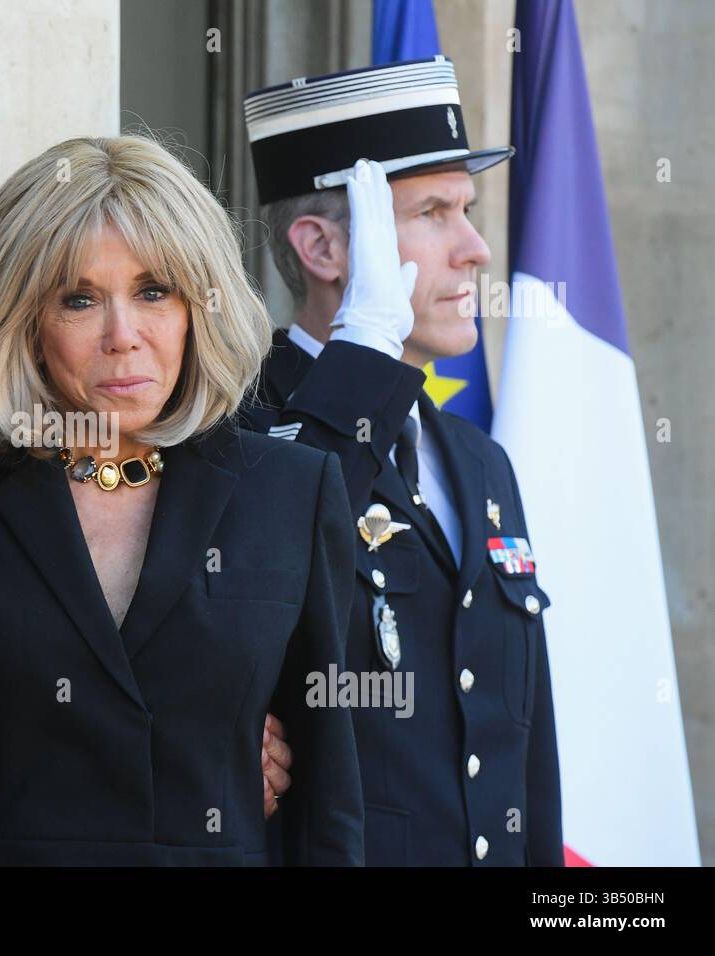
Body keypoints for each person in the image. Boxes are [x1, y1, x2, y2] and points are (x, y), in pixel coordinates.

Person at [0, 134, 363, 866]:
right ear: (23, 320)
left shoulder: (293, 491)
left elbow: (329, 796)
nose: (124, 336)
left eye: (155, 292)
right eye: (80, 299)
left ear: (198, 308)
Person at [240, 56, 562, 865]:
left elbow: (528, 760)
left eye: (470, 210)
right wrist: (367, 345)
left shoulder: (477, 461)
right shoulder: (241, 434)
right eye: (432, 213)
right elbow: (265, 586)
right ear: (323, 247)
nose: (477, 249)